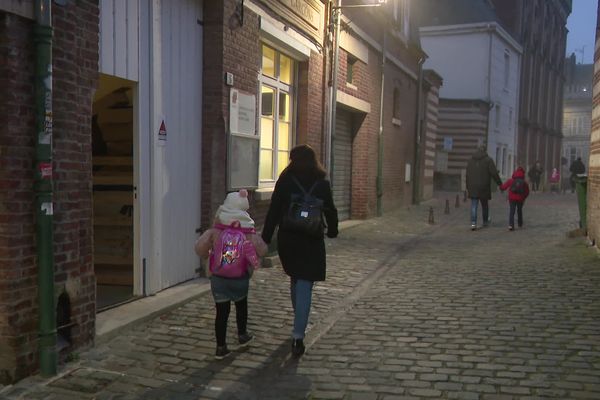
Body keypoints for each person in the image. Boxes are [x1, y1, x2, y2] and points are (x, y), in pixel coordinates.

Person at [261, 144, 338, 358]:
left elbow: (274, 211)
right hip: (312, 239)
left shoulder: (285, 181)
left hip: (289, 239)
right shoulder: (322, 182)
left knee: (296, 279)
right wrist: (333, 229)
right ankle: (298, 334)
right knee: (305, 283)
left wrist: (265, 238)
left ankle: (299, 320)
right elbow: (330, 209)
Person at [195, 189, 268, 360]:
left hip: (219, 278)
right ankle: (242, 335)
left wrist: (208, 255)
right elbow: (263, 250)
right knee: (241, 306)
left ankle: (221, 347)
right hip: (240, 277)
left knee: (222, 312)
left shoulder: (215, 230)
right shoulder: (248, 231)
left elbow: (199, 248)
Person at [466, 145, 503, 230]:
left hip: (473, 186)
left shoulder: (470, 161)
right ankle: (485, 222)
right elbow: (494, 173)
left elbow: (467, 175)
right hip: (484, 186)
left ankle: (473, 223)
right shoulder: (488, 160)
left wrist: (468, 186)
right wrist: (500, 184)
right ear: (485, 151)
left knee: (474, 205)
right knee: (484, 205)